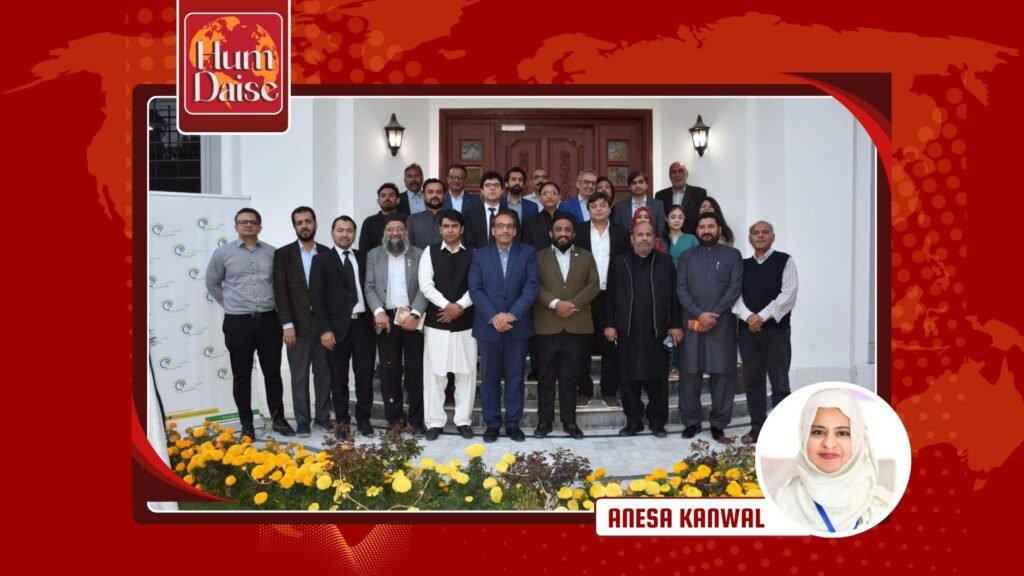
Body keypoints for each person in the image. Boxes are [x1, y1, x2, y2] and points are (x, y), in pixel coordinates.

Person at [206, 207, 294, 440]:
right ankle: (247, 423)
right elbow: (212, 283)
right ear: (236, 226)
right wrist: (230, 304)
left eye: (252, 222)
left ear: (259, 226)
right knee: (242, 375)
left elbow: (281, 285)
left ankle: (278, 419)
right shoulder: (222, 254)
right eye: (243, 222)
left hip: (269, 321)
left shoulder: (273, 253)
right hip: (238, 323)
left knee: (272, 373)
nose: (248, 225)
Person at [772, 388, 893, 534]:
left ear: (858, 438)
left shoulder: (881, 505)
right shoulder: (782, 501)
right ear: (803, 437)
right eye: (818, 432)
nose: (829, 444)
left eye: (842, 433)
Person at [605, 221, 682, 438]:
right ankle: (634, 422)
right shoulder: (619, 261)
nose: (644, 238)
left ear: (654, 238)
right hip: (627, 329)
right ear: (632, 239)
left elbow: (674, 296)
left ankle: (657, 422)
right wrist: (610, 324)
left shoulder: (665, 261)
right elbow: (610, 296)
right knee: (628, 378)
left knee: (657, 379)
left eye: (648, 234)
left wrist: (675, 324)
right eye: (640, 235)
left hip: (657, 330)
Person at [468, 209, 540, 443]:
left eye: (509, 226)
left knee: (515, 376)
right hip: (488, 327)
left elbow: (531, 287)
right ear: (493, 230)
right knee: (489, 377)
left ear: (515, 231)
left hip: (517, 326)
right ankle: (492, 423)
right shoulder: (480, 255)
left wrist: (511, 315)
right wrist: (494, 316)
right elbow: (475, 289)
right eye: (500, 226)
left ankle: (512, 423)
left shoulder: (528, 253)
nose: (505, 230)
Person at [676, 212, 743, 443]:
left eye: (710, 226)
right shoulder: (686, 257)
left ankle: (718, 424)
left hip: (721, 323)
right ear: (696, 230)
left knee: (723, 374)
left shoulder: (733, 255)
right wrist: (699, 314)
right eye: (702, 227)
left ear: (719, 229)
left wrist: (713, 314)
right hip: (692, 323)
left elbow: (735, 288)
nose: (706, 231)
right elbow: (681, 289)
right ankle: (691, 422)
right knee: (690, 373)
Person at [533, 216, 599, 439]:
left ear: (573, 234)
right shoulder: (538, 256)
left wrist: (571, 304)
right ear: (551, 233)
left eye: (567, 230)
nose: (563, 233)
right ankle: (544, 422)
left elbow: (593, 285)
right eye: (558, 229)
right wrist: (555, 303)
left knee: (570, 379)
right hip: (546, 327)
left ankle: (570, 423)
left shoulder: (586, 256)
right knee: (545, 378)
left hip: (576, 326)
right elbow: (533, 285)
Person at [309, 216, 376, 440]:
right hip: (335, 329)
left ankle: (364, 420)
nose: (345, 234)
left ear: (354, 234)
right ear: (332, 233)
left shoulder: (364, 257)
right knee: (338, 379)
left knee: (365, 376)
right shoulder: (321, 260)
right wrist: (324, 330)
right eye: (340, 230)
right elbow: (316, 298)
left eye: (349, 230)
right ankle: (342, 423)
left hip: (363, 326)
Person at [733, 220, 798, 444]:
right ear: (750, 238)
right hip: (748, 332)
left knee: (780, 383)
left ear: (773, 236)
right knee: (753, 383)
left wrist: (761, 316)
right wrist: (749, 317)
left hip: (776, 332)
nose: (760, 236)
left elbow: (788, 295)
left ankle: (780, 433)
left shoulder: (785, 261)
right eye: (756, 233)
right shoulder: (742, 265)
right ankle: (757, 428)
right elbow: (734, 295)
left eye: (765, 232)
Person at [363, 214, 427, 436]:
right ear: (384, 233)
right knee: (389, 372)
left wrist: (416, 313)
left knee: (415, 372)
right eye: (390, 229)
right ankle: (395, 422)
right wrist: (378, 312)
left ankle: (417, 421)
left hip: (412, 318)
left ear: (406, 232)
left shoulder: (419, 254)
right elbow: (369, 287)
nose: (395, 233)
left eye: (399, 229)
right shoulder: (374, 255)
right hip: (387, 320)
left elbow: (425, 287)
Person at [272, 206, 331, 438]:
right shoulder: (283, 254)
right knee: (299, 376)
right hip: (296, 326)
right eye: (300, 223)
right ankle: (303, 421)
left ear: (315, 223)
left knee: (323, 373)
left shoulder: (326, 252)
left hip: (323, 325)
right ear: (294, 226)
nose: (304, 226)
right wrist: (287, 325)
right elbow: (280, 291)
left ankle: (323, 417)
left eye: (308, 221)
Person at [417, 209, 476, 441]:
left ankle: (463, 421)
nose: (450, 230)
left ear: (462, 229)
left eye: (454, 226)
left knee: (466, 373)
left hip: (466, 322)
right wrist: (447, 306)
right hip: (437, 322)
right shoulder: (429, 252)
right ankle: (434, 422)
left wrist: (459, 307)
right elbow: (426, 285)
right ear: (440, 229)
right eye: (446, 226)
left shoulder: (473, 253)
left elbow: (477, 285)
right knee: (435, 375)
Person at [575, 193, 630, 407]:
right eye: (594, 206)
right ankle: (584, 390)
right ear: (588, 209)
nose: (598, 209)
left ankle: (609, 391)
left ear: (609, 208)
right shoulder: (579, 231)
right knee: (582, 345)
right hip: (584, 295)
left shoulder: (621, 232)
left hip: (610, 294)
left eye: (602, 205)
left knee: (610, 345)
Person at [463, 170, 516, 248]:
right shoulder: (470, 215)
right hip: (478, 255)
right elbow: (468, 242)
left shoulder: (512, 214)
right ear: (482, 190)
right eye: (488, 185)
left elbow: (516, 241)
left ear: (502, 190)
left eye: (496, 185)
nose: (492, 188)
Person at [654, 162, 706, 234]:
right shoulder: (660, 195)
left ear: (687, 174)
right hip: (667, 238)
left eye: (681, 171)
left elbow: (702, 218)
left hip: (692, 237)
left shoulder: (699, 193)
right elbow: (659, 220)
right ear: (669, 176)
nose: (677, 175)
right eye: (673, 172)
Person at [611, 170, 666, 238]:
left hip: (651, 244)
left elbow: (661, 232)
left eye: (641, 182)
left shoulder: (658, 205)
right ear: (629, 187)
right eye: (634, 183)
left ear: (646, 185)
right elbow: (616, 233)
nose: (637, 185)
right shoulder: (620, 207)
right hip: (626, 244)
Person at [522, 180, 574, 250]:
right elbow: (526, 247)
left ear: (559, 197)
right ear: (540, 198)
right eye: (545, 193)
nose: (549, 196)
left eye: (553, 193)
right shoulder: (529, 221)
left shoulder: (570, 218)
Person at [359, 183, 407, 254]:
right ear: (378, 201)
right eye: (383, 196)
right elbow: (364, 251)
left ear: (398, 200)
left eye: (391, 195)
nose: (387, 198)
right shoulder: (369, 222)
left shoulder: (407, 220)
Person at [406, 178, 446, 249]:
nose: (435, 195)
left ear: (444, 196)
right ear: (423, 195)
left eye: (439, 192)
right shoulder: (413, 220)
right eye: (430, 192)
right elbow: (408, 247)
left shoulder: (453, 219)